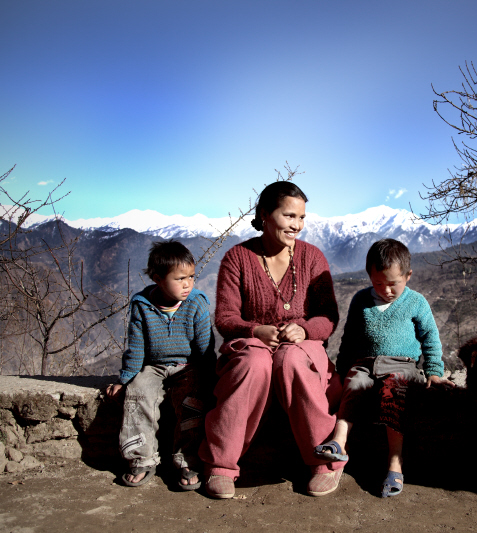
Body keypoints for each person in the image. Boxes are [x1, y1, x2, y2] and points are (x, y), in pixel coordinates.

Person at [199, 181, 344, 499]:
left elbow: (328, 317)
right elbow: (225, 318)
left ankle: (325, 461)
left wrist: (305, 330)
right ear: (265, 214)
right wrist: (255, 331)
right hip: (251, 346)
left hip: (301, 347)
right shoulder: (238, 258)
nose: (297, 225)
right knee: (255, 362)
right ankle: (221, 465)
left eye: (302, 218)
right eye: (289, 216)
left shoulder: (312, 257)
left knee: (291, 358)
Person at [314, 238, 454, 497]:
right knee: (353, 386)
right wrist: (343, 369)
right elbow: (349, 338)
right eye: (378, 283)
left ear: (408, 276)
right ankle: (339, 442)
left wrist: (434, 371)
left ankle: (395, 462)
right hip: (365, 364)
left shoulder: (416, 302)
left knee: (394, 394)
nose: (386, 290)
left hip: (402, 366)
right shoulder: (360, 300)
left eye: (393, 284)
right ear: (369, 276)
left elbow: (430, 338)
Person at [105, 240, 216, 490]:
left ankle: (187, 459)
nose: (188, 284)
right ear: (158, 278)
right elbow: (136, 348)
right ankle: (141, 458)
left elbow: (205, 347)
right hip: (153, 366)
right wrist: (125, 381)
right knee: (138, 394)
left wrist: (210, 377)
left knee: (192, 400)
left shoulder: (197, 303)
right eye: (180, 279)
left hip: (187, 366)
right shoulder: (142, 305)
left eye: (191, 276)